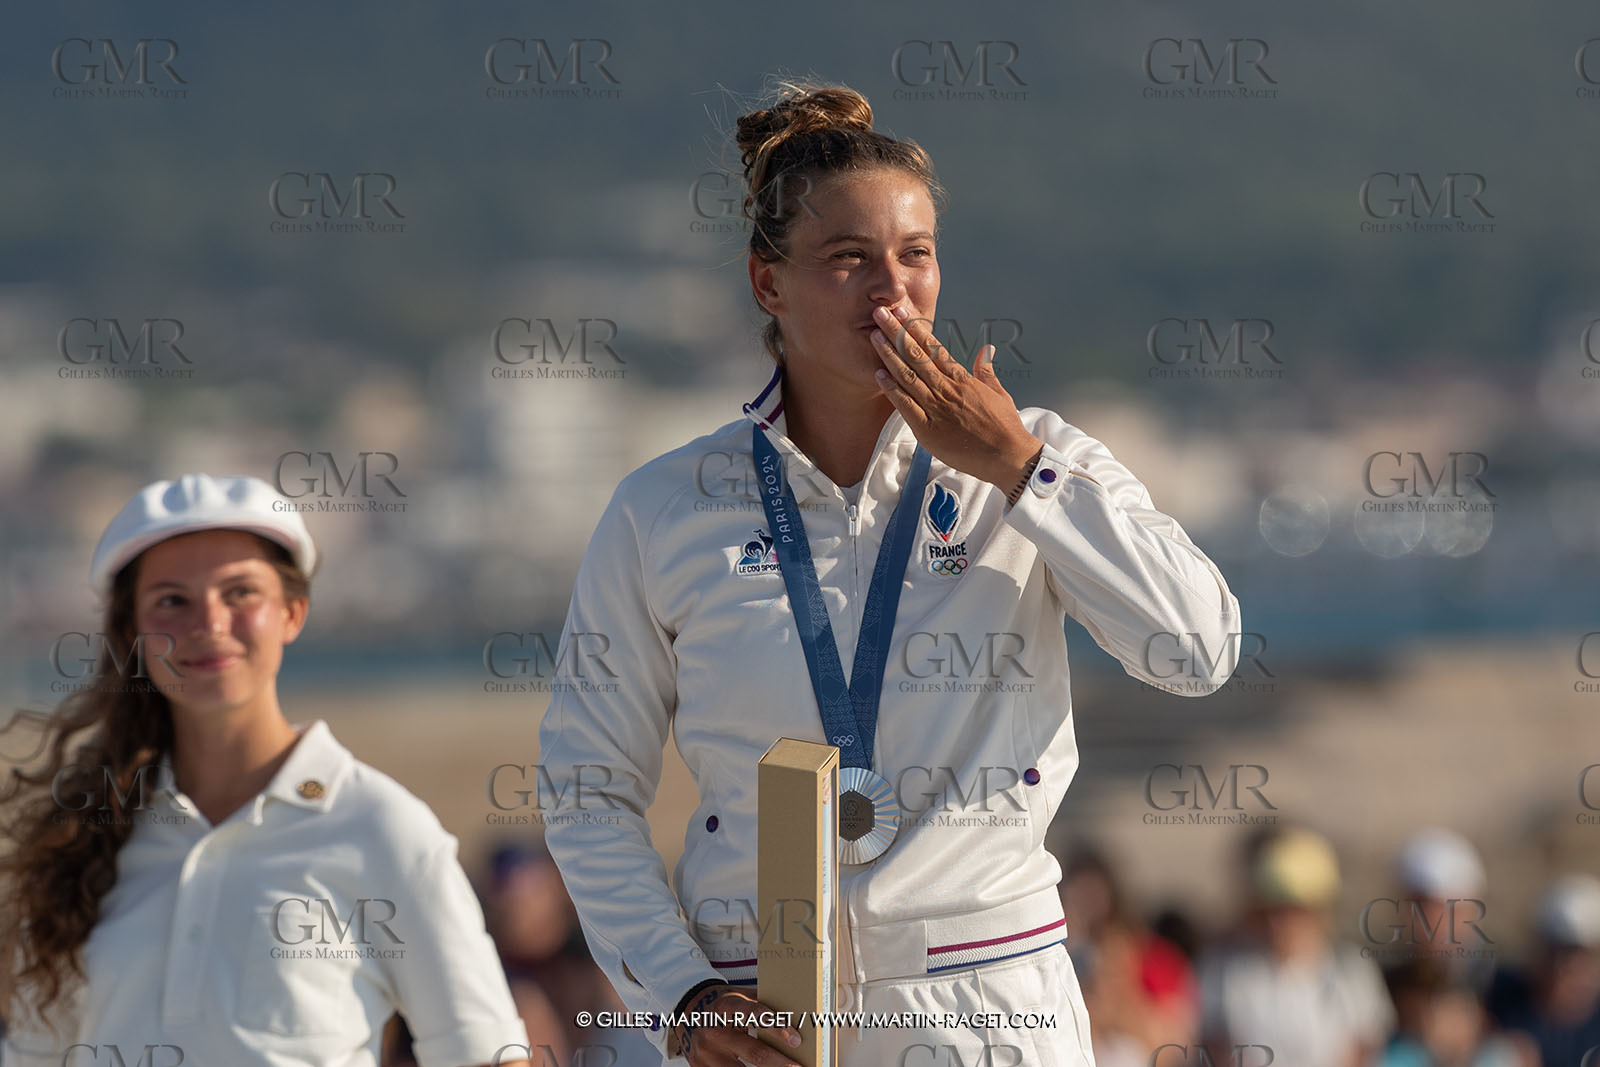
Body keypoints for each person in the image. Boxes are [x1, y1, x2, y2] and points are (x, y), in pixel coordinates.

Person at [536, 79, 1242, 1067]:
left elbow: (1197, 647)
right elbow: (583, 787)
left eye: (915, 255)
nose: (892, 288)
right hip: (766, 1009)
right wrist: (680, 995)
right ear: (766, 282)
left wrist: (1017, 471)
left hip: (990, 997)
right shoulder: (665, 506)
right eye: (848, 259)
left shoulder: (1033, 455)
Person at [0, 473, 531, 1067]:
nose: (209, 624)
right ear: (131, 633)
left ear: (292, 613)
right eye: (172, 600)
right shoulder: (79, 838)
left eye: (240, 593)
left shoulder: (381, 828)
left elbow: (486, 1055)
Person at [1197, 827, 1395, 1067]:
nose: (1278, 923)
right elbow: (1214, 1048)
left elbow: (1364, 1049)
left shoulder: (1352, 972)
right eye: (1272, 908)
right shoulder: (1225, 971)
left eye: (1292, 910)